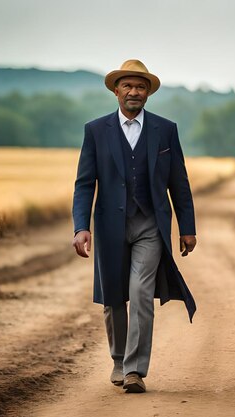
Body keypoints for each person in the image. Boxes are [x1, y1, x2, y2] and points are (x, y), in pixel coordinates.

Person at [71, 59, 197, 393]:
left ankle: (135, 371)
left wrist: (187, 226)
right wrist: (80, 226)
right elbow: (84, 184)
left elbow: (178, 182)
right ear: (116, 91)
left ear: (148, 93)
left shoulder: (165, 129)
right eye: (127, 86)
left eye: (140, 87)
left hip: (150, 224)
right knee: (114, 297)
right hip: (110, 225)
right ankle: (118, 360)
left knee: (141, 293)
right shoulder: (96, 130)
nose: (134, 92)